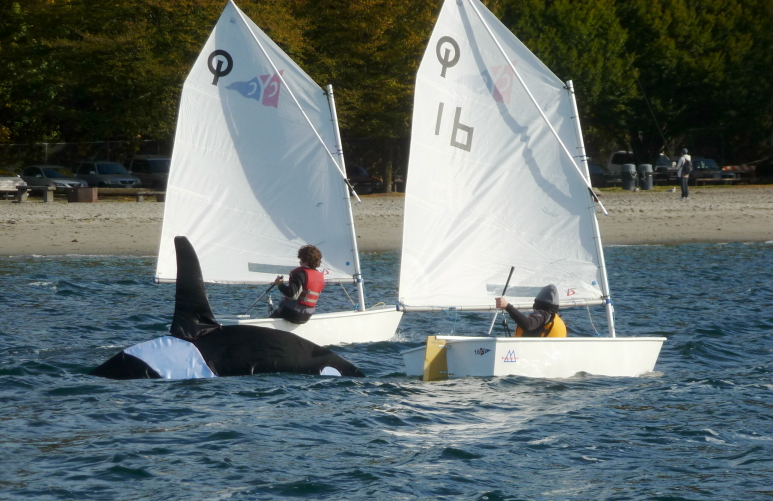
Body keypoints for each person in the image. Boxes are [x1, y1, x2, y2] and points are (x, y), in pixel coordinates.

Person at [270, 245, 325, 324]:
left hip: (292, 313)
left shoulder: (300, 273)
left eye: (301, 259)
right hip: (307, 315)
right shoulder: (319, 275)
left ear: (305, 260)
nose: (299, 261)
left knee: (267, 323)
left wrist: (280, 284)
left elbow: (292, 295)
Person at [495, 284, 566, 337]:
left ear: (539, 303)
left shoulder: (543, 314)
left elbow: (528, 324)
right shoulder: (553, 318)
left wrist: (507, 307)